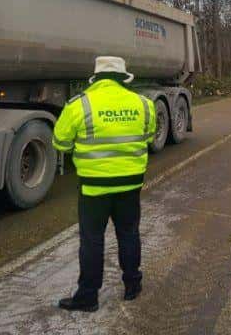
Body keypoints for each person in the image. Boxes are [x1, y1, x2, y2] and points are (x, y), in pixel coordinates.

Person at [52, 56, 156, 312]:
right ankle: (132, 285)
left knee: (92, 241)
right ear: (123, 78)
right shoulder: (143, 104)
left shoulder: (79, 104)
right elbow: (148, 135)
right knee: (129, 233)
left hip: (93, 189)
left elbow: (60, 143)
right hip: (130, 186)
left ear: (96, 78)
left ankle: (88, 297)